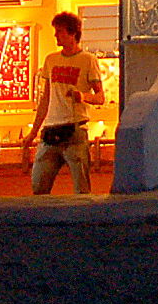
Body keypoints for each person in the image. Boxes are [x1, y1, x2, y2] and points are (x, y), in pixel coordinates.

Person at [21, 11, 105, 194]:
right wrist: (33, 132)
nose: (56, 35)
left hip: (75, 130)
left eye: (60, 32)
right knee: (38, 185)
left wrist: (83, 96)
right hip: (51, 129)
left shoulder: (88, 60)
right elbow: (45, 99)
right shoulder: (51, 60)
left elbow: (100, 97)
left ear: (72, 33)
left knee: (81, 187)